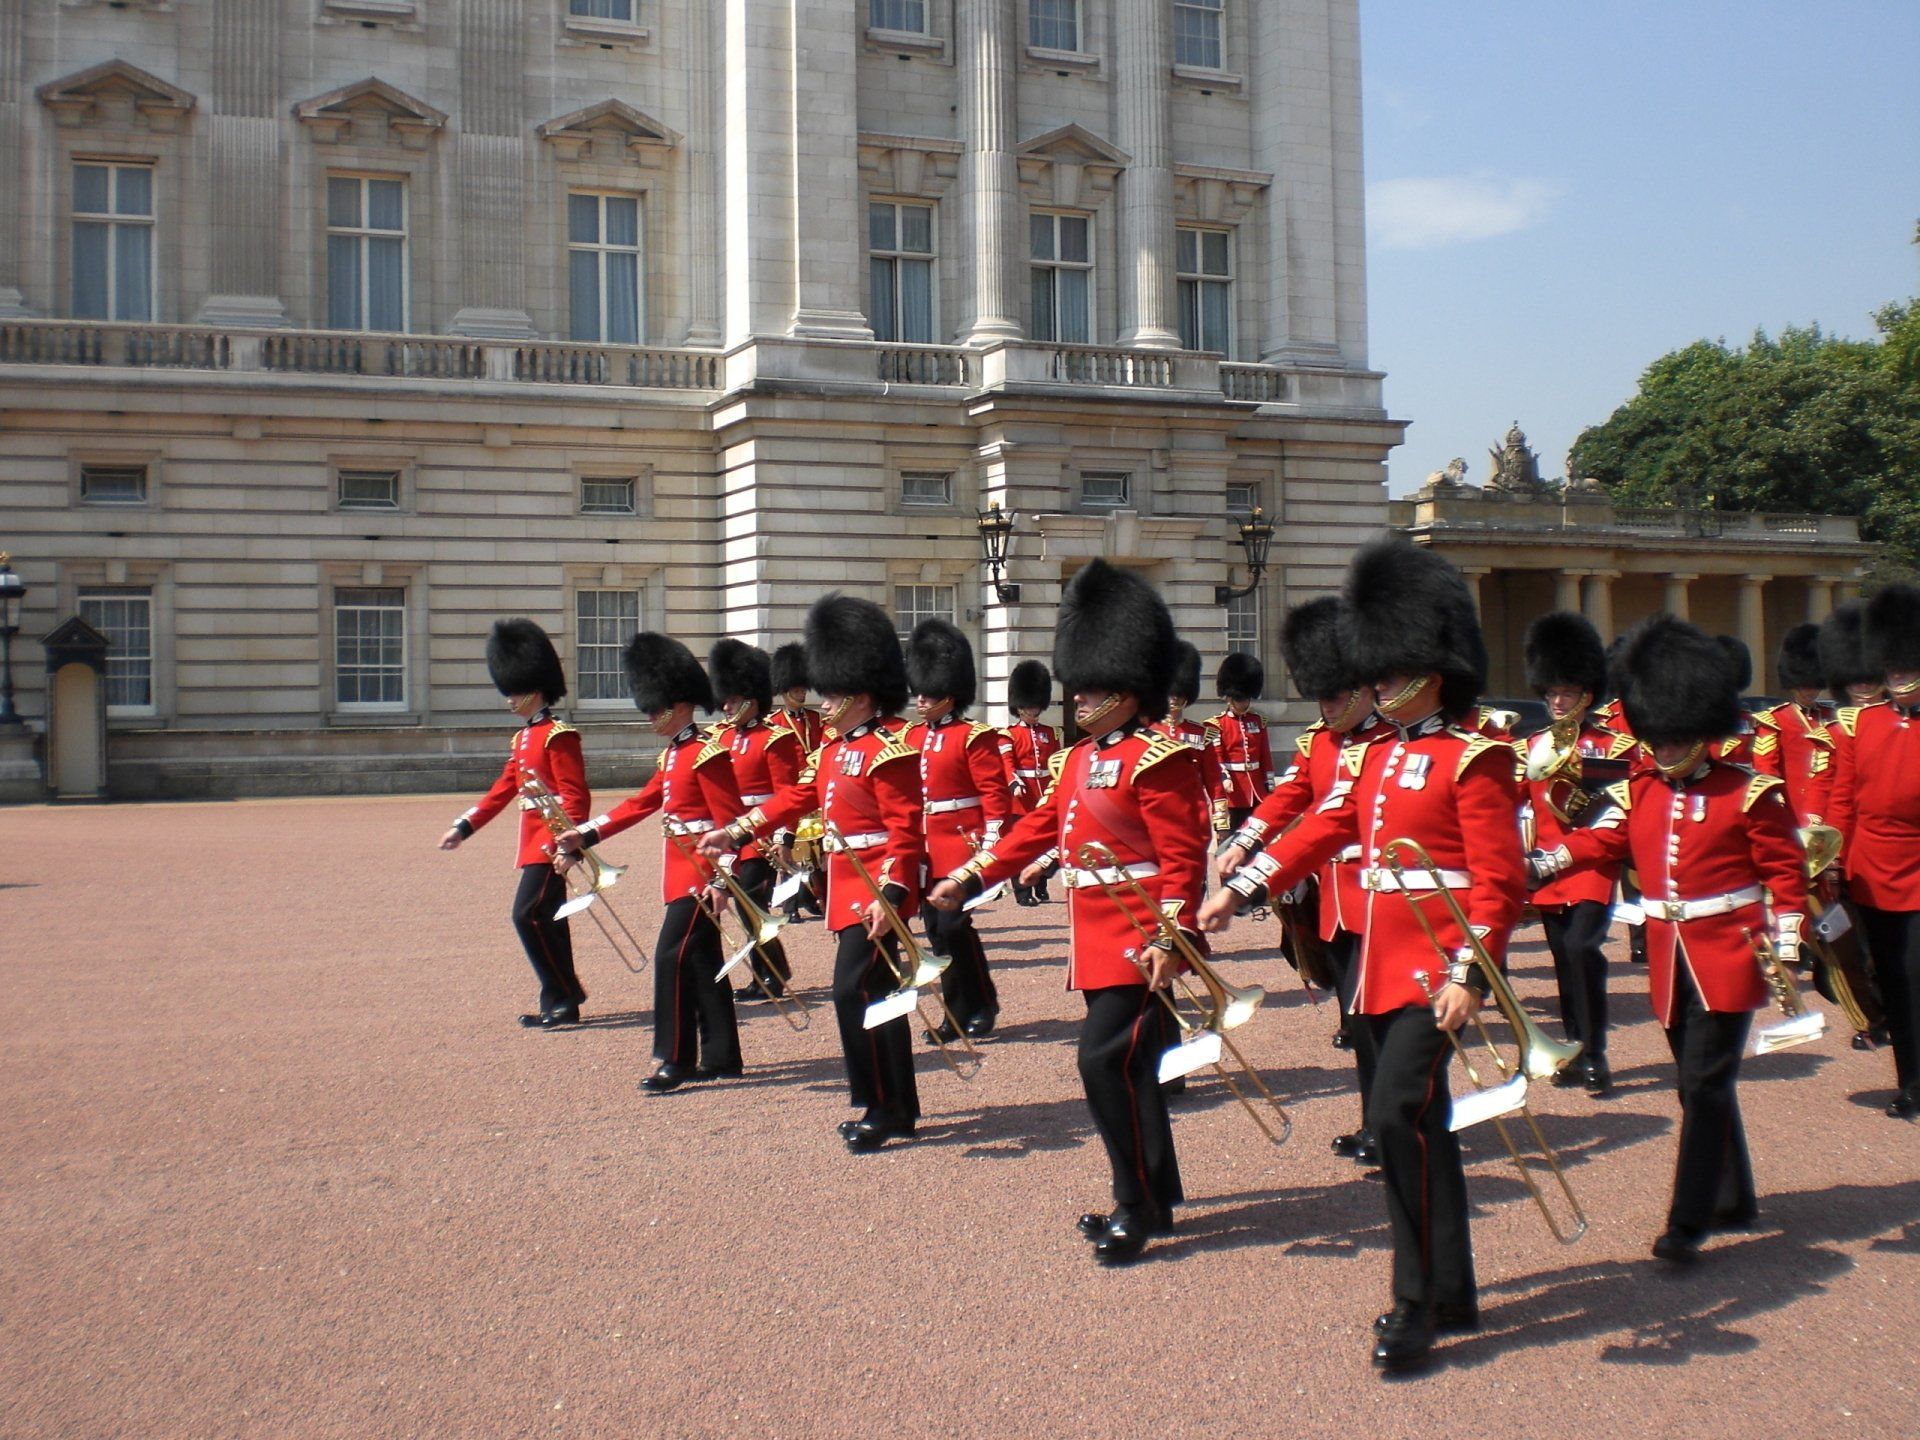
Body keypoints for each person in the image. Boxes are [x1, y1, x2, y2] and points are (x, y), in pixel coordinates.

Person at [1198, 537, 1525, 1375]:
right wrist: (1245, 885)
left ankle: (1415, 1300)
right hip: (1378, 960)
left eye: (1389, 674)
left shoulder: (1476, 757)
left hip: (1435, 972)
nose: (1376, 689)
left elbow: (1498, 883)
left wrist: (1470, 976)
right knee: (1424, 1126)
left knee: (1393, 1118)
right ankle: (1452, 1287)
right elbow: (1324, 827)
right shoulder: (1377, 754)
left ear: (1432, 667)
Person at [929, 561, 1208, 1266]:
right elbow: (1035, 830)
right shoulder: (1079, 760)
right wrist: (969, 877)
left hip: (1142, 935)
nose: (1077, 694)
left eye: (1092, 683)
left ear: (1129, 683)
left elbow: (1184, 857)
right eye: (1076, 682)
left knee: (1102, 1064)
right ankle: (1156, 1196)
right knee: (1130, 1070)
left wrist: (1172, 936)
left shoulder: (1158, 759)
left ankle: (1134, 1205)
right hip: (1095, 935)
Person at [1529, 616, 1808, 1260]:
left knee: (1704, 1084)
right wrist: (1542, 865)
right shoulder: (1642, 789)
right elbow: (1603, 839)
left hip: (1732, 953)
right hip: (1669, 955)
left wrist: (1788, 939)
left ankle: (1689, 1220)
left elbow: (1783, 871)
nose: (1663, 746)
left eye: (1674, 735)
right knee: (1696, 1081)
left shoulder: (1749, 793)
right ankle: (1734, 1195)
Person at [704, 595, 927, 1153]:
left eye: (832, 692)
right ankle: (893, 1105)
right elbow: (798, 796)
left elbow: (906, 829)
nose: (824, 703)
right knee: (874, 992)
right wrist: (738, 831)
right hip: (847, 885)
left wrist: (894, 891)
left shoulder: (888, 749)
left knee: (853, 990)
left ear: (860, 691)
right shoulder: (835, 748)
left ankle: (882, 1105)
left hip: (877, 887)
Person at [1215, 596, 1394, 1165]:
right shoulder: (1322, 739)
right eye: (1320, 695)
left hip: (1387, 900)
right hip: (1337, 899)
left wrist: (1259, 872)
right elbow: (1290, 794)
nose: (1327, 705)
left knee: (1390, 1022)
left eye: (1335, 694)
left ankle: (1403, 1123)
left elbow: (1334, 817)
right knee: (1360, 1021)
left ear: (1365, 686)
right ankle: (1378, 1122)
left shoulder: (1396, 741)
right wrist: (1243, 839)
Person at [556, 634, 745, 1093]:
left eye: (654, 707)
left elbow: (734, 821)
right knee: (700, 961)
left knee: (670, 958)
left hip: (701, 873)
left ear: (679, 704)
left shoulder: (707, 751)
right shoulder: (674, 753)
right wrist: (588, 832)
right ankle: (721, 1055)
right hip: (680, 869)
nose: (649, 716)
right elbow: (640, 803)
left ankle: (675, 1058)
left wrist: (725, 879)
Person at [439, 618, 590, 1029]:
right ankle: (559, 999)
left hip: (551, 842)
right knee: (547, 920)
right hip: (533, 843)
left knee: (527, 915)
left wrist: (569, 844)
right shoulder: (524, 738)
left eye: (515, 691)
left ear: (535, 689)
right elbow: (501, 790)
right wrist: (465, 826)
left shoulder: (559, 735)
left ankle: (565, 993)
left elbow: (575, 796)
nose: (509, 699)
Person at [1519, 611, 1635, 1096]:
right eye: (1552, 693)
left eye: (1566, 693)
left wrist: (1562, 856)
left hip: (1590, 867)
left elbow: (1616, 822)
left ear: (1587, 696)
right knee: (1563, 961)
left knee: (1582, 950)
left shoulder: (1612, 746)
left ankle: (1597, 1052)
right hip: (1544, 871)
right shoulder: (1532, 746)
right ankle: (1573, 1047)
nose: (1558, 701)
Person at [1828, 584, 1920, 1119]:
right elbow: (1843, 796)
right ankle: (1910, 1081)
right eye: (1893, 668)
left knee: (1917, 971)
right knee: (1893, 978)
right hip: (1873, 866)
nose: (1899, 676)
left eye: (1906, 666)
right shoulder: (1860, 724)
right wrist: (1833, 858)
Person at [904, 618, 1013, 1038]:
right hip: (925, 846)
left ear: (948, 695)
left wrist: (989, 845)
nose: (919, 700)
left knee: (952, 927)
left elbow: (994, 795)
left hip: (959, 845)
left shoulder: (973, 737)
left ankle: (978, 1004)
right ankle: (961, 1009)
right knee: (936, 932)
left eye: (927, 694)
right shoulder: (913, 737)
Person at [708, 639, 805, 1000]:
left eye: (734, 700)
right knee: (729, 904)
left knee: (751, 904)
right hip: (726, 832)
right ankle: (771, 967)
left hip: (759, 834)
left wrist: (784, 838)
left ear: (752, 699)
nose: (727, 705)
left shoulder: (774, 739)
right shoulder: (719, 738)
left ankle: (769, 974)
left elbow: (786, 794)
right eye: (726, 699)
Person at [768, 642, 826, 921]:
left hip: (813, 789)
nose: (801, 693)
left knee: (815, 848)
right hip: (790, 790)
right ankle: (790, 905)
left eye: (803, 689)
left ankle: (809, 898)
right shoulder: (775, 722)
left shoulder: (815, 719)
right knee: (789, 849)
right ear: (784, 691)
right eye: (796, 689)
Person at [1001, 659, 1062, 906]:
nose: (1034, 711)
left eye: (1036, 706)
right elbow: (1006, 761)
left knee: (1046, 842)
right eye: (1029, 707)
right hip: (1021, 798)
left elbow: (1056, 762)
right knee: (1021, 845)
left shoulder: (1051, 733)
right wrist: (1013, 781)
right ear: (1019, 707)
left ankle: (1042, 884)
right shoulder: (1009, 734)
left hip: (1044, 793)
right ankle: (1023, 892)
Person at [1155, 641, 1229, 839]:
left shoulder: (1201, 734)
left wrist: (1221, 821)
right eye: (1170, 694)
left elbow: (1214, 781)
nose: (1174, 699)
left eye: (1179, 694)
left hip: (1192, 816)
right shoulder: (1146, 731)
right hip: (1156, 815)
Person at [1209, 652, 1275, 833]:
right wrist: (1225, 778)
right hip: (1234, 791)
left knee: (1257, 836)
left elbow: (1265, 756)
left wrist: (1269, 784)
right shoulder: (1218, 724)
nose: (1245, 702)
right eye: (1240, 698)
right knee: (1232, 837)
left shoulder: (1258, 721)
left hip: (1257, 790)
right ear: (1229, 698)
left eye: (1247, 698)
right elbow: (1218, 758)